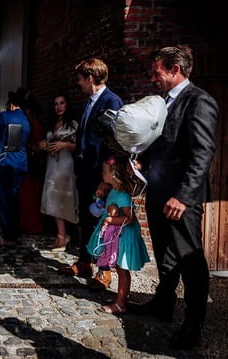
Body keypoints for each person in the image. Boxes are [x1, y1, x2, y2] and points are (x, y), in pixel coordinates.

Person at [130, 46, 219, 350]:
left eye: (156, 72)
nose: (152, 77)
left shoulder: (199, 101)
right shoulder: (163, 102)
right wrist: (144, 160)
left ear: (175, 69)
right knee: (165, 255)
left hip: (181, 200)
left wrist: (182, 196)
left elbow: (202, 153)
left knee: (190, 261)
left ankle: (193, 326)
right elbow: (163, 141)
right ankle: (162, 305)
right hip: (157, 193)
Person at [59, 58, 123, 284]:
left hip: (100, 174)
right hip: (85, 172)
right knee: (86, 218)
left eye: (80, 79)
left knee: (105, 221)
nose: (79, 84)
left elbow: (115, 143)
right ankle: (85, 261)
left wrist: (107, 179)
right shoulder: (89, 102)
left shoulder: (111, 101)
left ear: (90, 78)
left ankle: (104, 269)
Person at [86, 157, 150, 313]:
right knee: (119, 268)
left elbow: (129, 218)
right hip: (117, 234)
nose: (102, 173)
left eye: (104, 171)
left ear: (114, 176)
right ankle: (121, 298)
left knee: (122, 269)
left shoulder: (122, 196)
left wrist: (110, 219)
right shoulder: (114, 191)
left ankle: (120, 304)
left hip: (123, 235)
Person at [38, 94, 79, 251]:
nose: (59, 106)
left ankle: (64, 236)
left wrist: (65, 145)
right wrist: (43, 145)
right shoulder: (52, 124)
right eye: (56, 104)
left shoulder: (73, 124)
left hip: (66, 165)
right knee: (52, 197)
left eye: (62, 103)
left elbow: (80, 145)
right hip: (52, 165)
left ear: (67, 105)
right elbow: (44, 142)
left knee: (64, 198)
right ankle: (61, 235)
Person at [0, 90, 31, 246]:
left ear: (12, 104)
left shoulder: (6, 116)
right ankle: (14, 232)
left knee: (4, 198)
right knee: (14, 199)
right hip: (20, 163)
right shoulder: (26, 121)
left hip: (6, 162)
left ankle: (8, 236)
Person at [18, 90, 46, 235]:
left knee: (31, 196)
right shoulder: (32, 124)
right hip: (27, 162)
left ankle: (31, 225)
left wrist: (31, 147)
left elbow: (38, 145)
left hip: (32, 162)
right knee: (27, 195)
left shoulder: (34, 125)